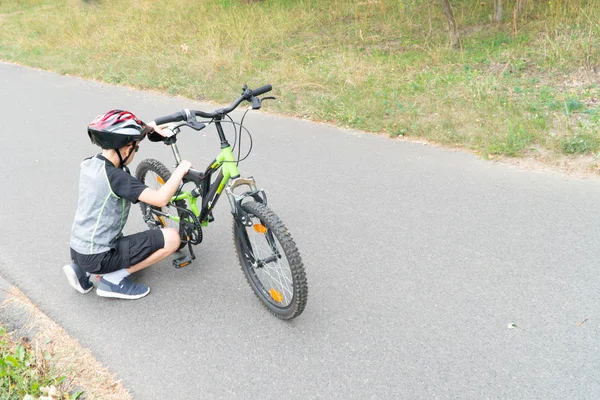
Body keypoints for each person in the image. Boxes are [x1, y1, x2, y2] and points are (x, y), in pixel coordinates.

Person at [63, 110, 192, 300]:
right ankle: (113, 280)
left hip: (79, 249)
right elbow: (161, 199)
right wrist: (180, 170)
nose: (136, 149)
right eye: (136, 147)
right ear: (126, 149)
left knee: (99, 249)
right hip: (100, 255)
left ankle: (82, 271)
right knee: (173, 238)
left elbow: (125, 140)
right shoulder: (117, 178)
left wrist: (149, 128)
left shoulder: (90, 164)